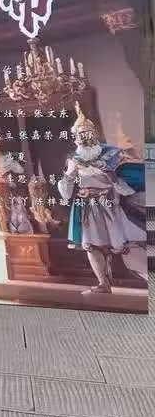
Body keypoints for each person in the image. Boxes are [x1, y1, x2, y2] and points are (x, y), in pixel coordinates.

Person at [57, 102, 147, 294]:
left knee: (125, 244)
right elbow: (65, 193)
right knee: (92, 246)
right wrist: (69, 175)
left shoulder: (112, 154)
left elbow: (126, 188)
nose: (84, 138)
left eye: (87, 134)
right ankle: (103, 284)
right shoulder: (73, 160)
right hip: (88, 208)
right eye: (80, 135)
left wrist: (110, 176)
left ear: (94, 134)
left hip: (112, 204)